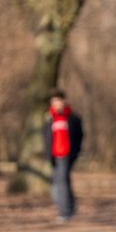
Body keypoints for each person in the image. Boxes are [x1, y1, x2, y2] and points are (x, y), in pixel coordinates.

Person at [42, 88, 83, 222]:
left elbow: (79, 136)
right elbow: (46, 137)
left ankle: (65, 212)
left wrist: (75, 152)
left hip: (67, 154)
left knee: (62, 182)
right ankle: (70, 206)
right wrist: (47, 154)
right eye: (53, 101)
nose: (55, 104)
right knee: (57, 183)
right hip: (54, 155)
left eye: (57, 101)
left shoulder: (72, 118)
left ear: (63, 101)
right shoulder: (49, 119)